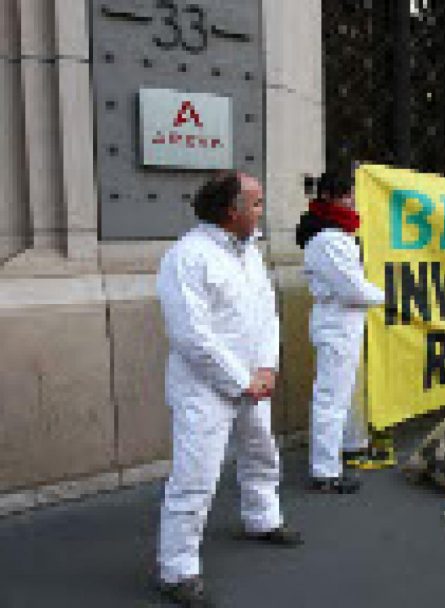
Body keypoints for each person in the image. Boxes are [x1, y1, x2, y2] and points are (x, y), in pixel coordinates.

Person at [156, 171, 302, 607]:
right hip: (204, 389)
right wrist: (243, 379)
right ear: (230, 211)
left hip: (252, 382)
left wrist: (267, 367)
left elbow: (266, 314)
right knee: (195, 476)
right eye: (255, 204)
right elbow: (191, 336)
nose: (262, 211)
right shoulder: (187, 257)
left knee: (261, 454)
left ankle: (263, 518)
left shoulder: (249, 253)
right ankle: (177, 568)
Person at [296, 171, 385, 493]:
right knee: (331, 398)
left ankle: (349, 446)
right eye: (348, 195)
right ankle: (325, 471)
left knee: (345, 394)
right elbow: (353, 290)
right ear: (332, 197)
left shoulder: (336, 234)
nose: (353, 201)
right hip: (337, 324)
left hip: (344, 323)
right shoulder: (328, 239)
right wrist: (386, 296)